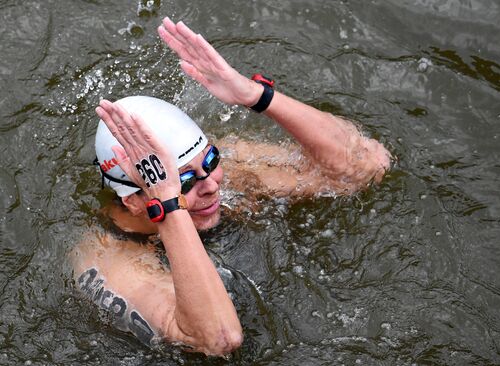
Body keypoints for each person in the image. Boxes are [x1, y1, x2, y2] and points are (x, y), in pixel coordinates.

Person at [71, 17, 391, 356]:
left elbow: (367, 166)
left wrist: (257, 96)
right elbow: (218, 341)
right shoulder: (112, 260)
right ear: (135, 200)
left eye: (211, 160)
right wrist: (167, 204)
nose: (211, 185)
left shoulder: (225, 173)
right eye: (185, 180)